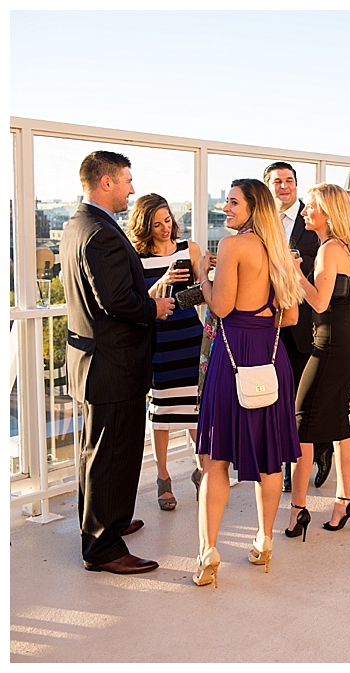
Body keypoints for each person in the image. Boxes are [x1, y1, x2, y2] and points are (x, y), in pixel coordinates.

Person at [63, 151, 174, 574]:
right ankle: (103, 549)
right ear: (105, 182)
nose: (132, 188)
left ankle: (108, 521)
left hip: (95, 360)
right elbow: (117, 301)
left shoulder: (78, 225)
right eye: (127, 180)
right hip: (112, 364)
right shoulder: (102, 233)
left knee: (102, 451)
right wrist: (155, 307)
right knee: (109, 453)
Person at [194, 178, 304, 587]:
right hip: (270, 358)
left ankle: (208, 551)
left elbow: (220, 306)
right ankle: (264, 539)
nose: (226, 207)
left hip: (234, 355)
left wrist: (205, 275)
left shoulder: (232, 246)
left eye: (233, 202)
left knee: (216, 457)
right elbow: (289, 317)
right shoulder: (279, 250)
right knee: (269, 456)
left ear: (252, 206)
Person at [289, 183, 350, 537]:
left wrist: (295, 272)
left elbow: (318, 303)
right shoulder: (341, 247)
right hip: (345, 341)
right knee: (337, 420)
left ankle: (297, 509)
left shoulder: (329, 249)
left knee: (301, 419)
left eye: (311, 207)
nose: (305, 212)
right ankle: (343, 502)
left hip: (331, 343)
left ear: (328, 213)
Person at [126, 193, 205, 511]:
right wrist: (163, 280)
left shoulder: (191, 248)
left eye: (167, 221)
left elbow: (204, 293)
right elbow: (136, 300)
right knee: (162, 414)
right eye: (156, 224)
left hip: (190, 338)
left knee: (196, 411)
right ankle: (163, 477)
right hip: (158, 342)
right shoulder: (137, 257)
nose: (163, 228)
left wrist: (202, 281)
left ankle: (202, 471)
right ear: (145, 226)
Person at [262, 162, 332, 490]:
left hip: (306, 323)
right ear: (268, 186)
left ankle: (320, 447)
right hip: (271, 323)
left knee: (304, 402)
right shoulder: (261, 222)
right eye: (278, 181)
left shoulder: (313, 219)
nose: (284, 186)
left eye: (289, 181)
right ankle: (288, 464)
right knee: (281, 399)